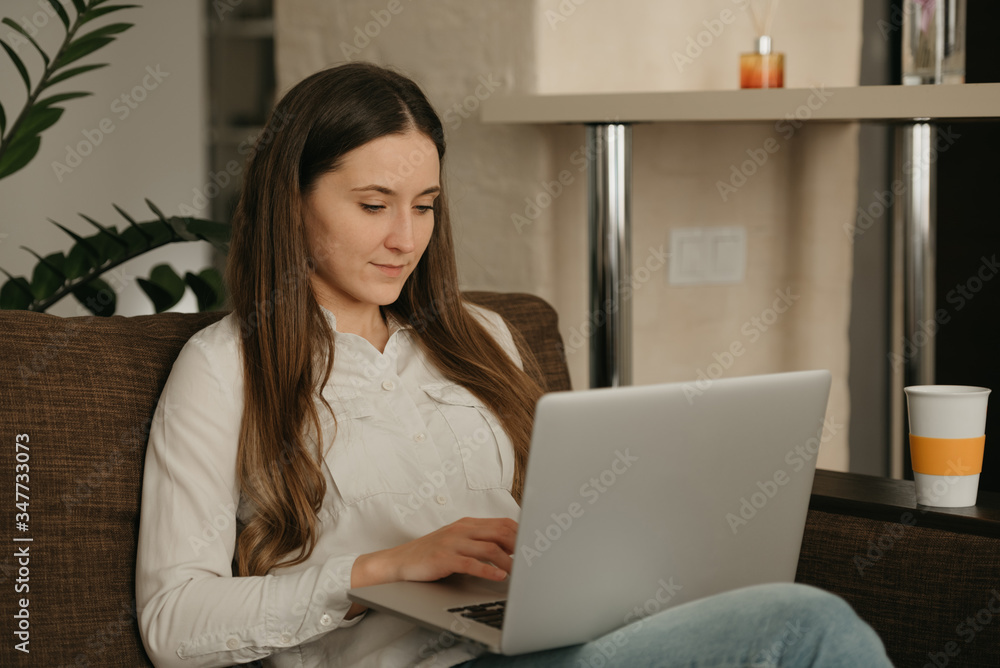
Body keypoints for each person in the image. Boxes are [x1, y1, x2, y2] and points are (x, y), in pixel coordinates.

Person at [135, 62, 892, 668]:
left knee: (781, 618)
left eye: (425, 205)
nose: (406, 237)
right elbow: (172, 624)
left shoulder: (482, 336)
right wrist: (381, 569)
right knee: (805, 627)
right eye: (374, 205)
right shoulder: (225, 367)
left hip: (546, 641)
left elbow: (560, 519)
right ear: (291, 201)